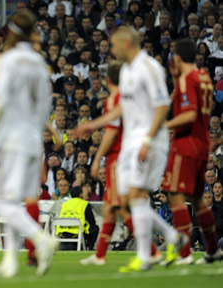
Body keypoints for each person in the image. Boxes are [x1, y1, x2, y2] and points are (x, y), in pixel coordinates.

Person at [77, 26, 186, 272]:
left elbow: (161, 106)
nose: (111, 51)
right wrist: (93, 124)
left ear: (126, 44)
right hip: (130, 143)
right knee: (127, 201)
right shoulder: (126, 71)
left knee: (135, 196)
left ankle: (146, 257)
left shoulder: (150, 68)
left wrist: (147, 140)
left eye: (113, 46)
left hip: (149, 140)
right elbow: (121, 110)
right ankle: (172, 237)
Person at [0, 10, 57, 278]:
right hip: (32, 139)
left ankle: (40, 238)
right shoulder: (38, 61)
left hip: (8, 138)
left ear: (11, 32)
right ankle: (10, 261)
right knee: (14, 200)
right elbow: (46, 103)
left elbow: (0, 102)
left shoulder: (8, 61)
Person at [80, 62, 161, 265]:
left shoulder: (115, 99)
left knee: (121, 208)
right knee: (111, 208)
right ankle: (100, 255)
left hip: (117, 158)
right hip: (123, 157)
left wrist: (97, 157)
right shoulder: (127, 99)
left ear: (107, 80)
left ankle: (152, 250)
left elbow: (111, 132)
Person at [162, 38, 222, 264]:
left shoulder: (187, 79)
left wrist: (162, 125)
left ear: (177, 58)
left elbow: (189, 114)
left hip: (185, 143)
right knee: (197, 199)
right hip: (201, 143)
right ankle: (213, 249)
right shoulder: (204, 77)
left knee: (176, 197)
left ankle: (185, 254)